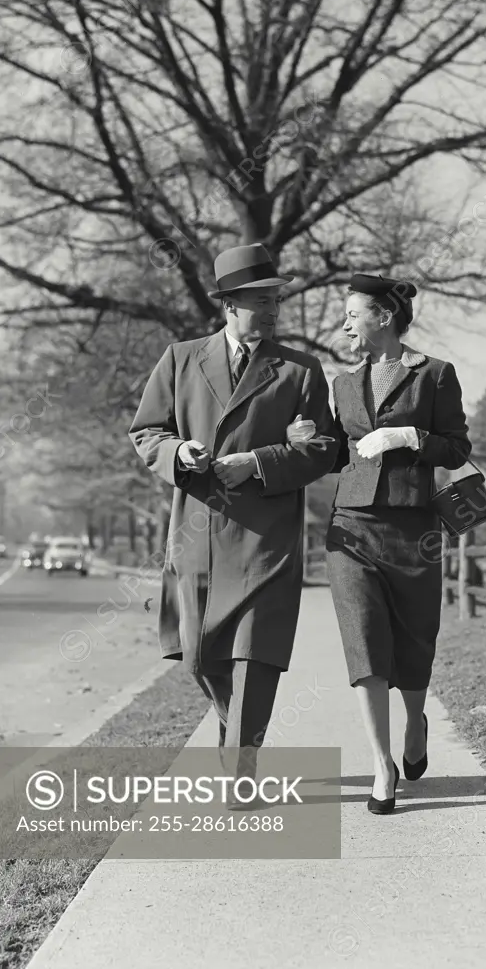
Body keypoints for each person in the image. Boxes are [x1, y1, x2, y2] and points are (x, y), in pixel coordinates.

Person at [129, 243, 338, 804]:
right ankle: (238, 741)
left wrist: (260, 462)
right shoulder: (179, 358)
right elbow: (146, 432)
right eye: (260, 300)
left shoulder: (301, 370)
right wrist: (179, 453)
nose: (272, 310)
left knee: (256, 656)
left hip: (267, 540)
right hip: (196, 532)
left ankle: (241, 768)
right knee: (199, 656)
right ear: (229, 304)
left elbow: (325, 448)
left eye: (275, 299)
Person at [314, 273, 471, 814]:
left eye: (352, 314)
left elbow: (457, 448)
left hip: (413, 528)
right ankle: (382, 764)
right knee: (364, 639)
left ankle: (415, 723)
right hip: (350, 526)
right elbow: (336, 452)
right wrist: (307, 442)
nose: (344, 324)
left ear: (383, 316)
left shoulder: (436, 374)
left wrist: (409, 437)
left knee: (414, 637)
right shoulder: (340, 384)